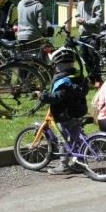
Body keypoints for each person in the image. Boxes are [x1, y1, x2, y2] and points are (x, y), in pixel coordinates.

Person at [32, 47, 90, 175]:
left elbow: (56, 98)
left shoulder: (63, 82)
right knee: (76, 139)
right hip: (79, 113)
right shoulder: (77, 77)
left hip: (65, 116)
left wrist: (42, 95)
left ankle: (64, 165)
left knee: (62, 140)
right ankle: (79, 162)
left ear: (57, 65)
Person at [73, 0, 104, 85]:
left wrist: (86, 22)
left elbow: (99, 18)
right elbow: (77, 14)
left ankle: (98, 79)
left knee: (94, 58)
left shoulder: (96, 2)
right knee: (85, 59)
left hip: (93, 35)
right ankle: (91, 79)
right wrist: (77, 18)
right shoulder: (80, 3)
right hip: (83, 36)